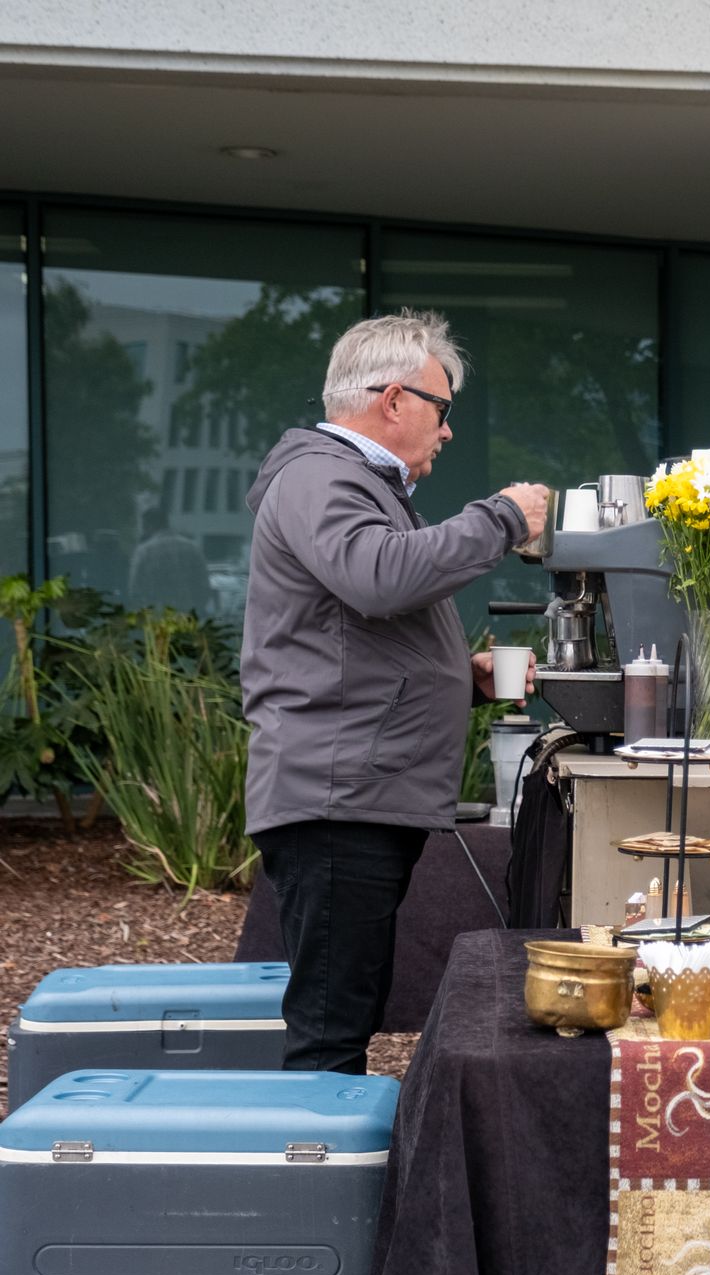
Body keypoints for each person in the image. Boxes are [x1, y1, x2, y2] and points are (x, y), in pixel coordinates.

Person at [241, 310, 548, 1074]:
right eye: (442, 412)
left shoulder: (351, 482)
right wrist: (504, 517)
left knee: (345, 1009)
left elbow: (360, 632)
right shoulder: (321, 475)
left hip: (353, 793)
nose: (446, 432)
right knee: (330, 1026)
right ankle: (318, 1185)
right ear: (394, 400)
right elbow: (381, 576)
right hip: (337, 797)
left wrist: (464, 680)